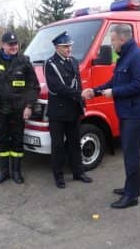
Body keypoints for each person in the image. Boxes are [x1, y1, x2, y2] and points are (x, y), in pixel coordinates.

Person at [82, 24, 140, 208]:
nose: (111, 44)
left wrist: (115, 93)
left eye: (112, 40)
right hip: (127, 112)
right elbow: (114, 81)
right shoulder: (125, 57)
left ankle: (132, 196)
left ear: (122, 39)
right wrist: (95, 91)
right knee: (129, 153)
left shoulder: (138, 56)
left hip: (136, 114)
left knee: (131, 154)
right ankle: (131, 187)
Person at [0, 32, 40, 185]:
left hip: (18, 110)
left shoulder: (24, 61)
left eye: (15, 44)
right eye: (10, 44)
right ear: (3, 45)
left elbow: (34, 87)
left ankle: (16, 172)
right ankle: (4, 172)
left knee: (17, 141)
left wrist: (29, 106)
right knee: (1, 140)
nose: (14, 47)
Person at [45, 31, 93, 189]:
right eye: (65, 47)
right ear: (57, 47)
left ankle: (78, 172)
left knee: (74, 143)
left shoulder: (73, 61)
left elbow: (78, 83)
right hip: (58, 113)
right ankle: (58, 176)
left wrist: (82, 103)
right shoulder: (50, 63)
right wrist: (79, 93)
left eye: (70, 46)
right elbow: (56, 87)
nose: (69, 49)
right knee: (58, 146)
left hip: (73, 110)